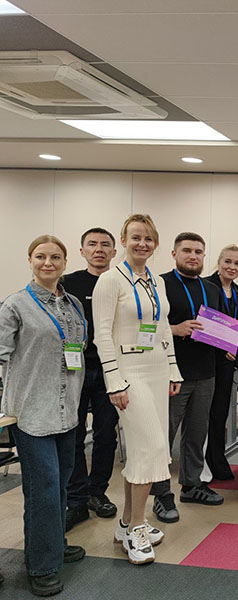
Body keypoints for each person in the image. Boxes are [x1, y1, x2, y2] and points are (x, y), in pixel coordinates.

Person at [0, 235, 87, 594]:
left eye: (55, 257)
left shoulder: (73, 304)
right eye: (40, 256)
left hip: (67, 411)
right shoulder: (15, 305)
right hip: (31, 413)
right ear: (30, 260)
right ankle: (42, 565)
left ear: (65, 262)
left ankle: (53, 544)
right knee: (44, 490)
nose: (48, 262)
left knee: (60, 484)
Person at [93, 214, 182, 565]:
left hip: (157, 369)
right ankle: (138, 528)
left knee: (144, 452)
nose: (142, 243)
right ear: (124, 241)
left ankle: (127, 523)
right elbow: (102, 335)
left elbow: (162, 327)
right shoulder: (110, 280)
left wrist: (173, 369)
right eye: (135, 237)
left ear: (155, 243)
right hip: (129, 372)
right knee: (151, 447)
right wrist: (114, 380)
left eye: (148, 238)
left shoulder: (156, 281)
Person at [150, 232, 225, 523]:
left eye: (198, 252)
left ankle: (192, 485)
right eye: (187, 251)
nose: (193, 256)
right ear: (174, 254)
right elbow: (145, 327)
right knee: (164, 437)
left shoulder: (212, 289)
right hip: (171, 374)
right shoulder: (159, 284)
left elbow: (220, 327)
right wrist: (174, 329)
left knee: (196, 435)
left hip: (206, 373)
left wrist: (229, 343)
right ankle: (160, 493)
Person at [63, 228, 119, 532]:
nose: (99, 249)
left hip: (111, 370)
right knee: (73, 435)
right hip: (75, 369)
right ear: (82, 250)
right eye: (92, 244)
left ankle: (98, 492)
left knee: (105, 434)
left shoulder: (120, 282)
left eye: (105, 245)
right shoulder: (67, 283)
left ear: (114, 252)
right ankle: (76, 498)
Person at [202, 244, 238, 481]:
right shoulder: (206, 286)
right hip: (208, 357)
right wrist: (222, 348)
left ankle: (217, 458)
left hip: (228, 359)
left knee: (220, 412)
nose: (232, 267)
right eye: (227, 261)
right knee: (204, 412)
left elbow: (234, 324)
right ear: (219, 262)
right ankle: (203, 464)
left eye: (237, 263)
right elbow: (205, 321)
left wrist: (232, 347)